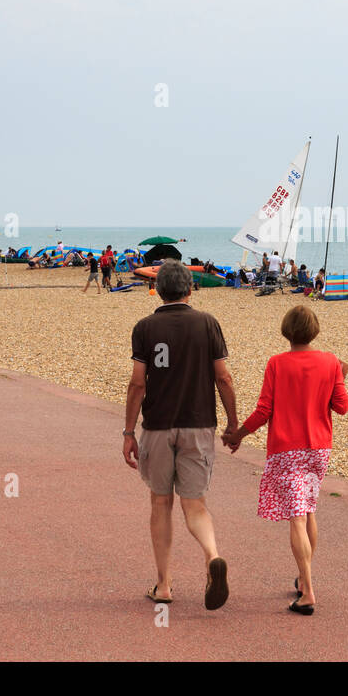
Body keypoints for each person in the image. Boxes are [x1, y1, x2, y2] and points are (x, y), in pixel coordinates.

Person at [122, 260, 238, 610]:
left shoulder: (145, 328)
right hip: (198, 424)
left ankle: (164, 585)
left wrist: (129, 431)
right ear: (191, 289)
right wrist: (233, 425)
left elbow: (137, 383)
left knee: (160, 503)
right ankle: (212, 555)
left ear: (156, 289)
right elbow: (223, 378)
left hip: (158, 426)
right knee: (195, 504)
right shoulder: (207, 324)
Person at [223, 307, 348, 616]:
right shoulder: (331, 362)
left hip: (286, 448)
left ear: (286, 331)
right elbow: (341, 407)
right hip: (318, 447)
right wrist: (339, 378)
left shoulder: (277, 364)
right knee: (308, 509)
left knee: (297, 517)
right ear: (315, 330)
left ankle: (307, 592)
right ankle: (304, 578)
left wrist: (238, 434)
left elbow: (265, 410)